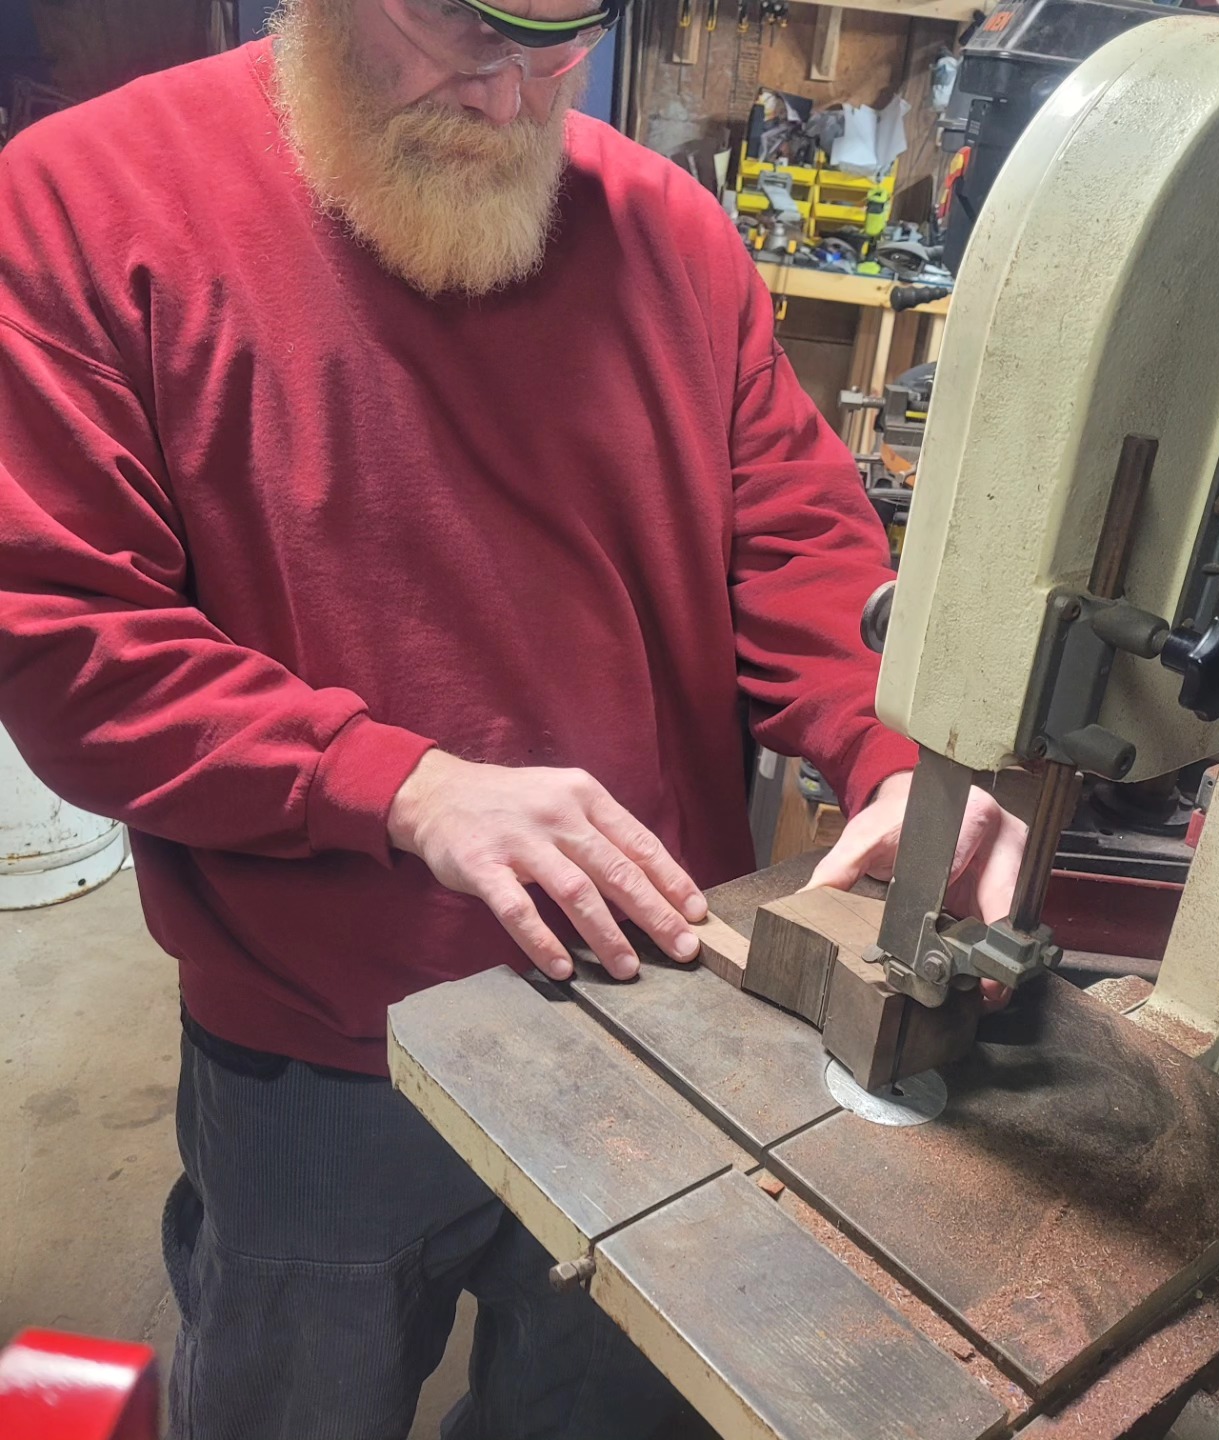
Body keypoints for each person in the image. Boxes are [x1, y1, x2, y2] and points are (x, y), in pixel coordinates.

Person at [0, 0, 1026, 1434]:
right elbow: (70, 643)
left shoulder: (672, 232)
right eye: (457, 33)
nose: (507, 100)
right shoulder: (82, 205)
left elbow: (799, 544)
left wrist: (901, 757)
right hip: (325, 1049)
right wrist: (405, 786)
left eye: (556, 47)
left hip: (659, 1010)